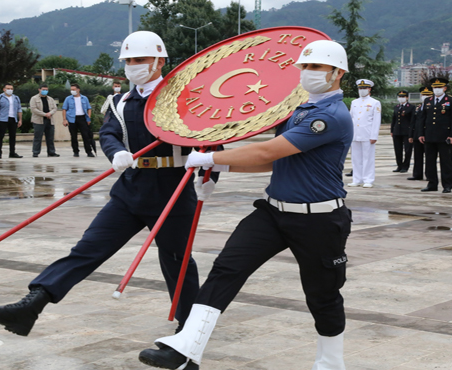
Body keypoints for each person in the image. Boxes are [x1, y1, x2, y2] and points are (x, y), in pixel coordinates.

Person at [138, 39, 353, 370]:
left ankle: (330, 364)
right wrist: (218, 166)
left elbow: (268, 152)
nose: (307, 73)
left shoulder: (331, 117)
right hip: (273, 212)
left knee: (322, 296)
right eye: (304, 67)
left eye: (316, 67)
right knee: (227, 268)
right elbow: (273, 163)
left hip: (320, 220)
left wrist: (211, 155)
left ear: (338, 73)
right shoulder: (299, 111)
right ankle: (185, 349)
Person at [0, 31, 202, 337]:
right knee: (87, 249)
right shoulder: (121, 101)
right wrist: (116, 151)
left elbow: (212, 135)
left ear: (160, 61)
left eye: (141, 59)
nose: (134, 65)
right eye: (130, 60)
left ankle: (189, 330)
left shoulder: (183, 96)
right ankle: (32, 305)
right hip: (131, 188)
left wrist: (207, 168)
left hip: (173, 188)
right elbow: (107, 133)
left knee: (177, 261)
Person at [417, 77, 452, 193]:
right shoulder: (428, 101)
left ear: (445, 88)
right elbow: (422, 118)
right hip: (429, 136)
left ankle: (447, 185)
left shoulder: (451, 100)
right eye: (435, 87)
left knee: (446, 162)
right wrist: (421, 133)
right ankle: (432, 183)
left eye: (439, 87)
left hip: (444, 136)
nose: (437, 89)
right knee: (430, 161)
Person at [348, 79, 381, 188]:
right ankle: (357, 179)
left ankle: (368, 179)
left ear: (369, 89)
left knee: (368, 158)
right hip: (355, 134)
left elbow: (376, 121)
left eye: (364, 88)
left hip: (367, 134)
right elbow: (351, 118)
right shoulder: (354, 102)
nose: (362, 90)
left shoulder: (374, 102)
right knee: (356, 158)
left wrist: (374, 135)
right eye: (360, 88)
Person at [62, 83, 95, 157]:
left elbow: (89, 108)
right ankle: (76, 151)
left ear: (78, 90)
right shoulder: (68, 98)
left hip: (82, 118)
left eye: (74, 89)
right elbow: (64, 109)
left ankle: (89, 151)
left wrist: (88, 118)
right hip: (72, 119)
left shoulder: (84, 98)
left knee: (86, 136)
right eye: (71, 90)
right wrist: (64, 119)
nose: (72, 91)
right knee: (73, 136)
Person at [408, 86, 433, 181]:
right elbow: (413, 122)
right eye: (423, 95)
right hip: (416, 135)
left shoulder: (432, 106)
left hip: (427, 135)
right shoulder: (418, 107)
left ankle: (429, 175)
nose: (424, 97)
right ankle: (417, 174)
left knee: (429, 157)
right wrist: (411, 135)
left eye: (427, 95)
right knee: (417, 156)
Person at [0, 83, 23, 159]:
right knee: (0, 136)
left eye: (11, 89)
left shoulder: (16, 98)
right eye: (8, 88)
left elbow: (19, 109)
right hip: (2, 119)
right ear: (4, 89)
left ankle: (12, 153)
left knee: (12, 136)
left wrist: (20, 120)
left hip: (13, 119)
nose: (10, 90)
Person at [29, 84, 59, 157]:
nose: (45, 91)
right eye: (43, 89)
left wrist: (49, 113)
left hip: (49, 120)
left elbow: (55, 108)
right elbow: (34, 109)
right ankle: (35, 152)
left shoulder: (50, 99)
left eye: (46, 90)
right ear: (39, 89)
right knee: (38, 137)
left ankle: (51, 152)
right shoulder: (34, 98)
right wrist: (44, 114)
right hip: (38, 121)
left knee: (50, 137)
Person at [391, 90, 414, 173]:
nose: (401, 98)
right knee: (397, 149)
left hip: (407, 132)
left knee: (407, 150)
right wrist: (392, 130)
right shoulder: (396, 107)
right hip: (397, 131)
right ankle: (399, 165)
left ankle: (405, 166)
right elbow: (394, 119)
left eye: (403, 97)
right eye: (400, 97)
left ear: (407, 97)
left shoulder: (411, 107)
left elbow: (412, 121)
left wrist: (411, 133)